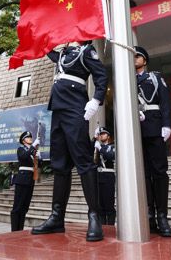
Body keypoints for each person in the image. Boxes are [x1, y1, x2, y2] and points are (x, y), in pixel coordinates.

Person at [32, 41, 107, 241]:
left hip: (75, 107)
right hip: (58, 109)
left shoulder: (86, 51)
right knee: (59, 164)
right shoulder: (65, 53)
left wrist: (96, 100)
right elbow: (53, 55)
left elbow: (101, 75)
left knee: (83, 161)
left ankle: (94, 216)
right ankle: (57, 217)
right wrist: (41, 39)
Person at [134, 46, 171, 237]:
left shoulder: (155, 77)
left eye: (138, 56)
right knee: (143, 174)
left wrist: (166, 125)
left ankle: (162, 216)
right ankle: (149, 213)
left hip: (155, 126)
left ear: (145, 60)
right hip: (136, 130)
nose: (134, 59)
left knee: (159, 172)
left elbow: (165, 102)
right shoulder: (127, 79)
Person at [10, 130, 41, 231]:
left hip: (30, 179)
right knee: (17, 207)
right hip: (22, 179)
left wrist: (39, 157)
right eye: (28, 137)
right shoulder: (21, 149)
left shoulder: (32, 151)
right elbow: (23, 156)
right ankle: (14, 231)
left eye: (31, 137)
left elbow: (38, 165)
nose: (30, 139)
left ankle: (20, 230)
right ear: (23, 141)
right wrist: (33, 147)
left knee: (24, 207)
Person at [94, 127, 115, 225]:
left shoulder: (112, 146)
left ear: (108, 136)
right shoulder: (97, 147)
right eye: (100, 134)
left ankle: (110, 226)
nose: (101, 135)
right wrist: (94, 138)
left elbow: (110, 156)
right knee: (100, 206)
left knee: (109, 204)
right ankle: (102, 226)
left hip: (108, 177)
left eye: (104, 134)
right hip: (99, 177)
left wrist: (100, 148)